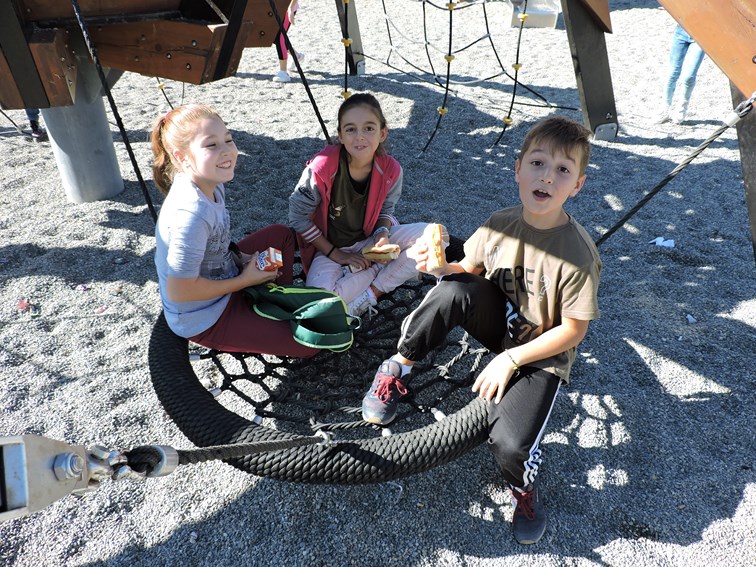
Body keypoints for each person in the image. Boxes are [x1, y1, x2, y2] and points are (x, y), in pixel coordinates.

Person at [361, 116, 602, 545]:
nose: (547, 177)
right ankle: (399, 365)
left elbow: (573, 331)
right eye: (538, 163)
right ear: (518, 169)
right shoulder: (499, 224)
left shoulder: (578, 254)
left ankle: (523, 491)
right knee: (453, 288)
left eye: (563, 170)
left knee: (510, 445)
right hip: (500, 324)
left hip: (541, 352)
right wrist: (440, 268)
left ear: (578, 185)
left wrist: (510, 359)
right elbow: (467, 273)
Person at [152, 103, 318, 358]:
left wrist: (240, 257)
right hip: (205, 314)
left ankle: (273, 302)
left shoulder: (210, 181)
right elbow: (180, 291)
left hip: (225, 274)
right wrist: (244, 280)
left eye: (228, 140)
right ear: (182, 157)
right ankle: (268, 312)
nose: (227, 151)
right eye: (211, 145)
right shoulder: (190, 214)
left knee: (281, 236)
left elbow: (215, 242)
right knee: (308, 344)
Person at [288, 93, 433, 317]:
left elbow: (386, 210)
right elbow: (298, 217)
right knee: (319, 305)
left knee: (436, 237)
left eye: (369, 128)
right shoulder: (321, 168)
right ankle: (379, 271)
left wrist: (382, 235)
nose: (360, 137)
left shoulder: (391, 169)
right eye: (350, 129)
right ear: (340, 135)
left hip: (369, 240)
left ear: (382, 133)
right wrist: (336, 254)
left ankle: (372, 292)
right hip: (329, 248)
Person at [657, 23, 705, 124]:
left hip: (701, 35)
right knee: (672, 72)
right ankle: (664, 108)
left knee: (689, 76)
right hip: (682, 31)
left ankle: (682, 108)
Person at [272, 1, 303, 83]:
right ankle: (296, 55)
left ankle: (283, 72)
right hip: (275, 7)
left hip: (288, 7)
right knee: (275, 38)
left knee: (280, 38)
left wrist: (291, 8)